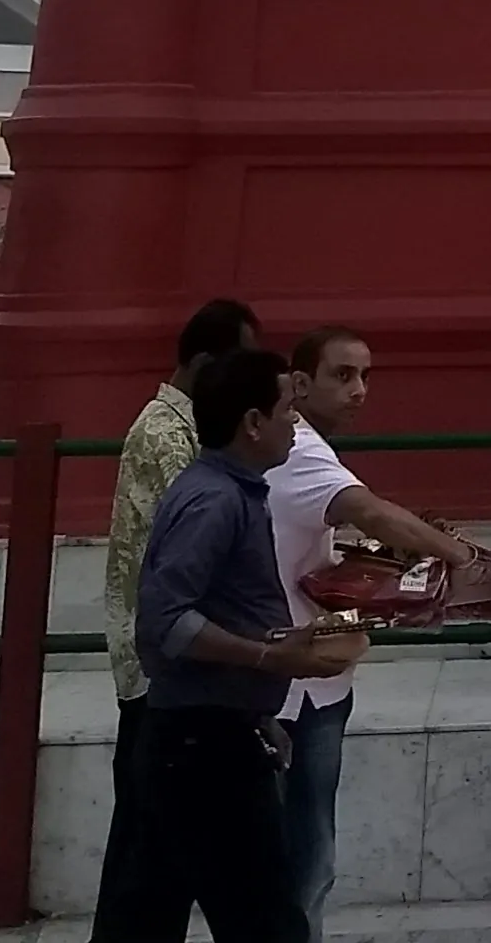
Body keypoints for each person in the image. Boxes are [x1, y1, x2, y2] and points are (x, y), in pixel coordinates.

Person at [92, 347, 366, 943]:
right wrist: (273, 659)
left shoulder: (234, 490)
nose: (296, 422)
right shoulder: (215, 501)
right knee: (262, 916)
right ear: (251, 423)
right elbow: (166, 622)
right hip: (201, 746)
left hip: (210, 728)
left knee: (152, 911)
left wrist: (254, 706)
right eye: (287, 409)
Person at [269, 329, 479, 943]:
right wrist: (464, 558)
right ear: (300, 385)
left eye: (365, 376)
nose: (359, 391)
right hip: (280, 681)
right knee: (298, 853)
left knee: (308, 846)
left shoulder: (305, 449)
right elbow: (374, 512)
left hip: (317, 680)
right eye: (343, 376)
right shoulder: (300, 450)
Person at [103, 298, 260, 904]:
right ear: (202, 363)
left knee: (155, 842)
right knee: (148, 843)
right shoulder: (171, 437)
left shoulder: (181, 428)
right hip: (162, 664)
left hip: (165, 656)